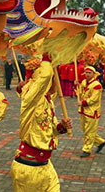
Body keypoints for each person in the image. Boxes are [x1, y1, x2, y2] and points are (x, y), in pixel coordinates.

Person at [11, 55, 72, 192]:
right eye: (50, 80)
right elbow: (44, 76)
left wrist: (62, 127)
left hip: (46, 166)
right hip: (28, 169)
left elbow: (51, 128)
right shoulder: (30, 100)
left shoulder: (48, 101)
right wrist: (47, 54)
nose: (52, 82)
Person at [78, 66, 105, 157]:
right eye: (86, 72)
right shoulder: (83, 82)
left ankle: (86, 149)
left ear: (94, 74)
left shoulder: (97, 85)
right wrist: (77, 85)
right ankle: (100, 142)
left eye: (89, 73)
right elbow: (80, 92)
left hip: (91, 111)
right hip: (83, 110)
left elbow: (93, 99)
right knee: (85, 129)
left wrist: (82, 102)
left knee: (89, 131)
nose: (87, 74)